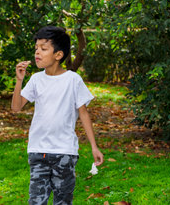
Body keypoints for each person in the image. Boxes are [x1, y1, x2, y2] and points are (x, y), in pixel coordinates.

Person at [11, 26, 104, 205]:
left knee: (63, 201)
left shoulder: (73, 80)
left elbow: (84, 115)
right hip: (38, 151)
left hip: (65, 152)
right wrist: (19, 80)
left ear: (58, 55)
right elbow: (16, 107)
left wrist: (94, 147)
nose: (37, 52)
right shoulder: (36, 80)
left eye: (43, 49)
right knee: (36, 201)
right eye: (36, 48)